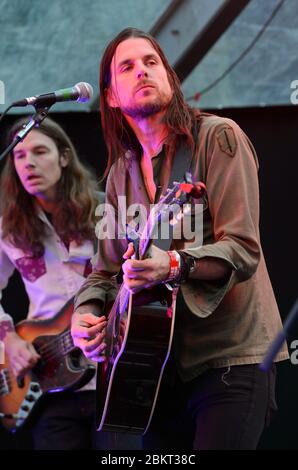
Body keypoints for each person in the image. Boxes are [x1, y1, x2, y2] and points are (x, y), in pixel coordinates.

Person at [71, 27, 289, 450]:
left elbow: (243, 248)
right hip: (158, 371)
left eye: (152, 62)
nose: (143, 72)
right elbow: (103, 271)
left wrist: (171, 265)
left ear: (169, 77)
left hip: (229, 361)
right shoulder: (121, 172)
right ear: (111, 96)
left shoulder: (217, 137)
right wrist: (85, 315)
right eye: (127, 67)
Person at [0, 116, 105, 450]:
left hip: (112, 377)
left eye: (39, 151)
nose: (28, 162)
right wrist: (9, 339)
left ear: (63, 156)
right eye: (19, 155)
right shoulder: (8, 226)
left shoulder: (106, 209)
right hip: (50, 384)